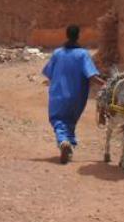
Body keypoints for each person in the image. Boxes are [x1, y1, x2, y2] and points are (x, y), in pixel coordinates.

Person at [42, 25, 104, 164]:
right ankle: (69, 145)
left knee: (58, 120)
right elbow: (91, 75)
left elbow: (48, 73)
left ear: (67, 35)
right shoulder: (83, 54)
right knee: (70, 121)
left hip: (58, 94)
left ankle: (63, 141)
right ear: (78, 36)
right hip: (77, 96)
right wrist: (105, 84)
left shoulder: (58, 53)